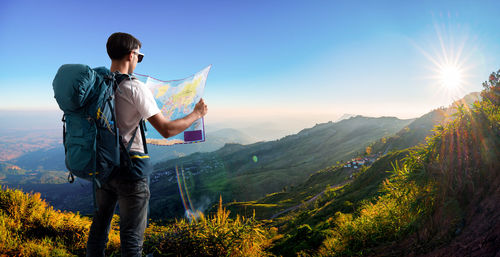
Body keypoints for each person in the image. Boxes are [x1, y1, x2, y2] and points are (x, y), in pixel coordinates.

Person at [86, 32, 208, 257]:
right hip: (131, 171)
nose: (138, 61)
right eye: (139, 57)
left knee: (99, 228)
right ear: (132, 54)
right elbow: (166, 130)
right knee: (132, 240)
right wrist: (195, 114)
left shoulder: (96, 85)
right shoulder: (135, 88)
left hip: (102, 166)